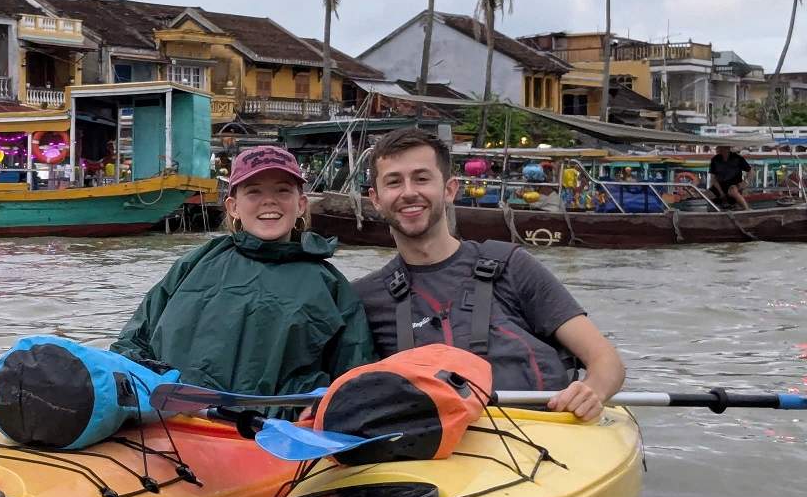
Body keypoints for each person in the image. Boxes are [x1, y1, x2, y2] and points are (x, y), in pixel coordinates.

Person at [353, 127, 624, 422]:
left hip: (540, 436)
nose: (408, 192)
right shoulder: (365, 298)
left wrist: (591, 391)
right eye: (394, 182)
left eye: (421, 178)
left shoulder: (512, 266)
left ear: (449, 189)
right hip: (430, 452)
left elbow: (605, 361)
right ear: (376, 199)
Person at [111, 145, 376, 400]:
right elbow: (132, 343)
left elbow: (354, 381)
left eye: (283, 191)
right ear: (233, 207)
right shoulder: (193, 265)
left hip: (271, 433)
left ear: (301, 205)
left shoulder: (331, 286)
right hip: (178, 422)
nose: (269, 201)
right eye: (254, 192)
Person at [708, 144, 751, 210]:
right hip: (720, 185)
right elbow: (713, 178)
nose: (717, 148)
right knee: (707, 193)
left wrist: (745, 182)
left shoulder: (737, 158)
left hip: (734, 184)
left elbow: (751, 171)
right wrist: (721, 192)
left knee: (732, 191)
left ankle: (747, 209)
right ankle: (714, 211)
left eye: (719, 147)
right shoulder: (715, 159)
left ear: (727, 148)